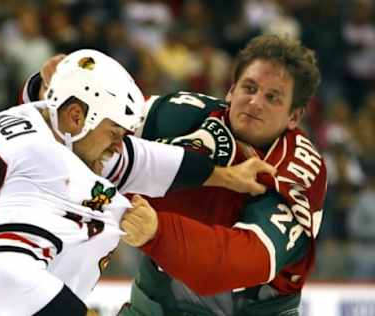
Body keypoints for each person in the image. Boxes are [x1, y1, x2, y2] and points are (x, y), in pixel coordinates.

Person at [0, 49, 272, 316]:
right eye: (113, 131)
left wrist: (227, 177)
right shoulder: (49, 167)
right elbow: (6, 279)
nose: (118, 143)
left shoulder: (38, 116)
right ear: (77, 115)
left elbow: (141, 160)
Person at [24, 34, 327, 316]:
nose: (256, 102)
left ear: (294, 116)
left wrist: (158, 232)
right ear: (231, 90)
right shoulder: (181, 114)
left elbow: (243, 262)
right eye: (249, 88)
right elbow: (87, 131)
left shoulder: (297, 170)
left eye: (273, 97)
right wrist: (58, 91)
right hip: (159, 296)